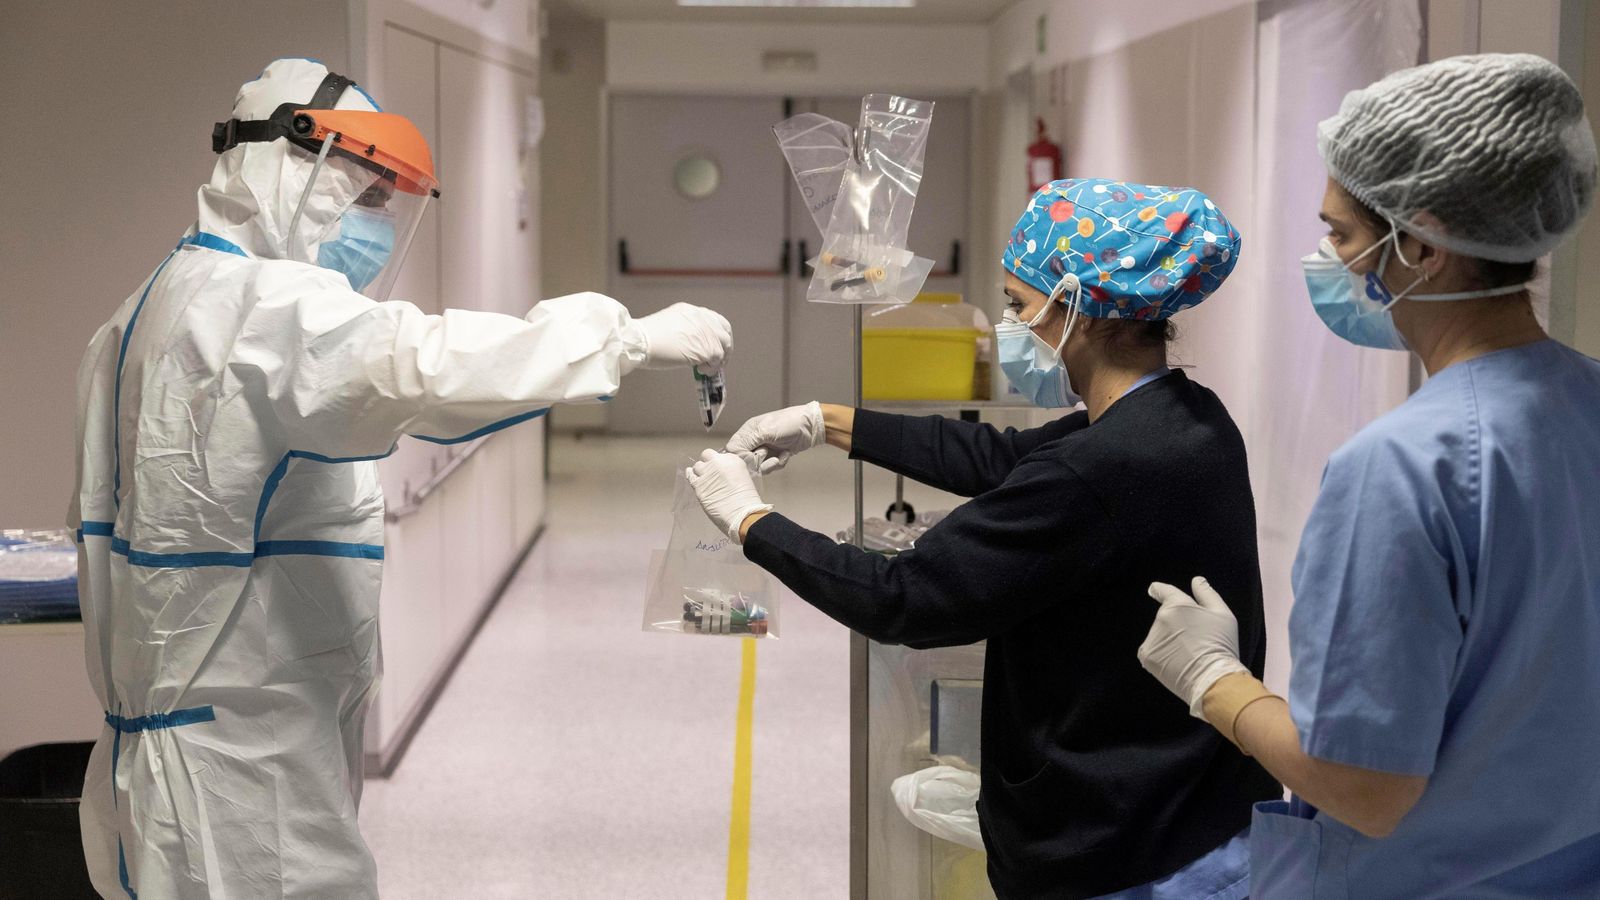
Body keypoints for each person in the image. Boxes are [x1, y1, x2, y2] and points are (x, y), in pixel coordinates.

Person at [68, 58, 731, 899]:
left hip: (177, 752)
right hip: (243, 773)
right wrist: (624, 337)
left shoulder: (144, 309)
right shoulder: (266, 310)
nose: (376, 223)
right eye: (367, 193)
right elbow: (423, 364)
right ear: (290, 163)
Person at [686, 178, 1281, 899]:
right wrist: (828, 422)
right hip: (1200, 812)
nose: (1010, 325)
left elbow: (905, 599)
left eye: (1020, 305)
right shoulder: (1187, 418)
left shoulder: (1097, 468)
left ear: (1081, 309)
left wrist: (752, 521)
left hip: (1127, 855)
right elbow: (1003, 457)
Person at [1136, 53, 1600, 898]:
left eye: (1343, 233)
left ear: (1420, 244)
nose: (1332, 259)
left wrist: (1216, 682)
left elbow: (1363, 788)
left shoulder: (1403, 467)